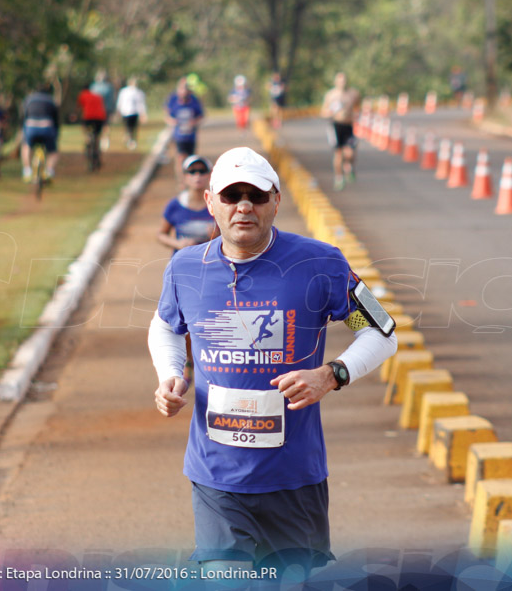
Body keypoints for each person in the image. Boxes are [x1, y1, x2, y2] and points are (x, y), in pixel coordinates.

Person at [147, 146, 397, 575]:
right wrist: (171, 374)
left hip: (294, 479)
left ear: (276, 201)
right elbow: (166, 326)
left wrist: (332, 374)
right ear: (210, 202)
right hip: (216, 477)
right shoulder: (185, 268)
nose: (244, 206)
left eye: (257, 195)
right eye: (231, 195)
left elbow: (381, 331)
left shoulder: (321, 264)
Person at [157, 155, 217, 253]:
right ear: (184, 177)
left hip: (210, 261)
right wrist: (178, 244)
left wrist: (217, 236)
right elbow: (161, 234)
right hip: (182, 263)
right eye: (192, 172)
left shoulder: (218, 205)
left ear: (210, 175)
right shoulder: (175, 205)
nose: (197, 175)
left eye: (202, 171)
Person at [320, 72, 361, 191]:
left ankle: (349, 167)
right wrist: (333, 113)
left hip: (348, 126)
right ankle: (339, 177)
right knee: (338, 154)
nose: (342, 83)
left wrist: (354, 115)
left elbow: (358, 107)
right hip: (335, 126)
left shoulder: (353, 94)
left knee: (350, 153)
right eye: (340, 81)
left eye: (344, 80)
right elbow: (323, 112)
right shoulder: (331, 95)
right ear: (336, 82)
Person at [164, 77, 205, 184]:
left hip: (191, 136)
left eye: (186, 89)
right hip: (178, 136)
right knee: (180, 158)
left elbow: (201, 116)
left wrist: (194, 122)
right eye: (182, 89)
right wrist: (172, 121)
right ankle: (181, 182)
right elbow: (167, 115)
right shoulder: (173, 100)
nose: (184, 92)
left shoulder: (194, 101)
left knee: (191, 159)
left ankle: (189, 181)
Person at [21, 84, 60, 182]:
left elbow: (23, 116)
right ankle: (49, 171)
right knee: (53, 152)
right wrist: (56, 134)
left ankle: (27, 170)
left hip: (31, 127)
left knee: (26, 146)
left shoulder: (28, 99)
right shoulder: (51, 100)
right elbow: (56, 120)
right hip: (47, 128)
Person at [77, 81, 108, 170]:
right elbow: (102, 108)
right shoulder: (97, 96)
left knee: (88, 134)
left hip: (88, 118)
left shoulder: (82, 95)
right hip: (99, 118)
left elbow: (79, 108)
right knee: (97, 136)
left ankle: (89, 141)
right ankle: (97, 151)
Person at [116, 77, 148, 150]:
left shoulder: (137, 92)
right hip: (128, 112)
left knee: (131, 127)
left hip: (132, 112)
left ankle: (131, 140)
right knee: (130, 127)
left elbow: (141, 104)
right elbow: (120, 102)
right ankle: (130, 140)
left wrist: (143, 113)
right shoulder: (125, 92)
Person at [90, 71, 116, 147]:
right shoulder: (108, 87)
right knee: (105, 125)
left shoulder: (93, 87)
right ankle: (104, 139)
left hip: (98, 110)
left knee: (98, 127)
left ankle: (98, 139)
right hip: (105, 110)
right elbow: (111, 100)